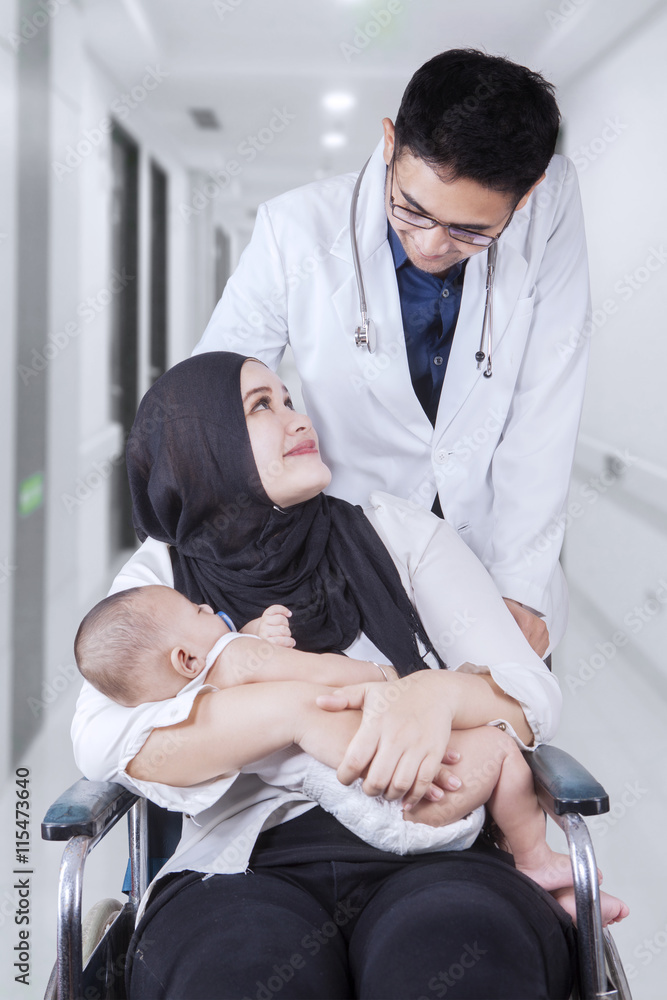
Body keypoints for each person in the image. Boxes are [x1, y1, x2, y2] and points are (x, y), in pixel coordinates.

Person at [74, 352, 580, 997]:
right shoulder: (161, 581)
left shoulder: (397, 533)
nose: (297, 417)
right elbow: (102, 742)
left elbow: (531, 694)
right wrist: (295, 716)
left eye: (288, 399)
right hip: (247, 860)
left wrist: (432, 694)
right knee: (239, 974)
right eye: (262, 406)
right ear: (206, 445)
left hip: (433, 843)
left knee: (454, 959)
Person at [193, 49, 592, 658]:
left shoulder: (551, 209)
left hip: (486, 556)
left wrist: (522, 584)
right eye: (412, 207)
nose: (432, 244)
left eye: (471, 231)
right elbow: (206, 405)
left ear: (527, 194)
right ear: (389, 142)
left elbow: (547, 399)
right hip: (343, 557)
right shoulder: (294, 230)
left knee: (492, 739)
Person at [74, 582, 628, 928]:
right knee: (502, 749)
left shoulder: (192, 696)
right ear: (185, 657)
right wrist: (391, 679)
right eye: (195, 608)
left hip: (348, 811)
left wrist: (253, 634)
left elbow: (237, 662)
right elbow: (319, 680)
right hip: (389, 797)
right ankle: (534, 861)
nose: (206, 604)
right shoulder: (235, 659)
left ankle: (549, 885)